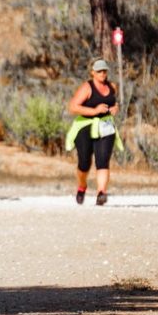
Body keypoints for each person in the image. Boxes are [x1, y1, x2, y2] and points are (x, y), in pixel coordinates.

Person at [65, 59, 120, 206]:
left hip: (106, 127)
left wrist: (115, 108)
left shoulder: (112, 86)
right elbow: (73, 107)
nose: (102, 74)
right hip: (86, 127)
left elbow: (114, 103)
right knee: (84, 162)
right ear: (93, 73)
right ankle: (82, 186)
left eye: (104, 71)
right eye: (99, 71)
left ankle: (101, 192)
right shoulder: (87, 87)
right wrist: (94, 111)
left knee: (103, 160)